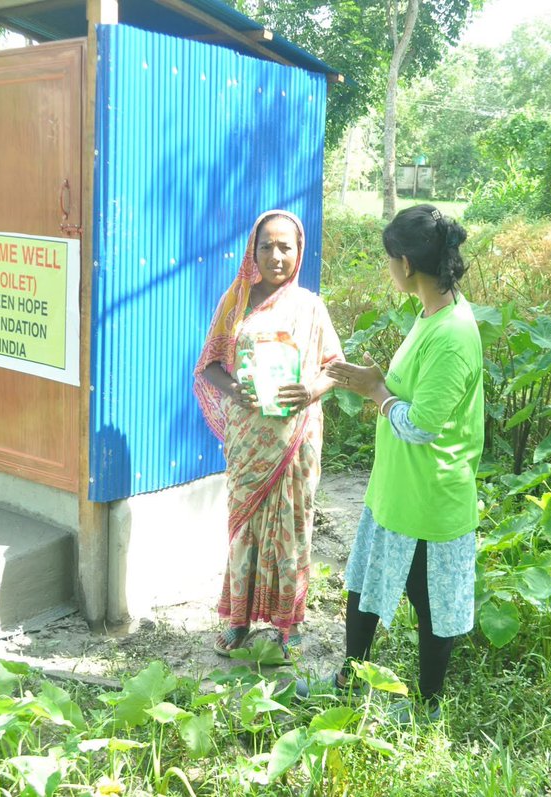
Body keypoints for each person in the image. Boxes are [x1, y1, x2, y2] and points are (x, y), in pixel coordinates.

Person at [306, 204, 483, 721]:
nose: (389, 269)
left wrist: (374, 389)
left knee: (432, 608)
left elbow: (422, 424)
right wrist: (373, 381)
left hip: (431, 496)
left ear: (405, 264)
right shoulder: (430, 313)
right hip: (397, 490)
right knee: (362, 586)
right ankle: (346, 679)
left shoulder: (452, 333)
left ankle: (428, 708)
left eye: (389, 260)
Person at [193, 210, 343, 659]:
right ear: (252, 252)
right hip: (248, 439)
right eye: (266, 246)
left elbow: (335, 365)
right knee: (243, 530)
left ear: (299, 252)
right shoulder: (236, 302)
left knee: (293, 530)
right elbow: (210, 365)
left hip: (296, 438)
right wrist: (235, 390)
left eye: (286, 247)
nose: (276, 256)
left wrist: (312, 389)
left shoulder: (311, 307)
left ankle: (289, 623)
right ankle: (237, 621)